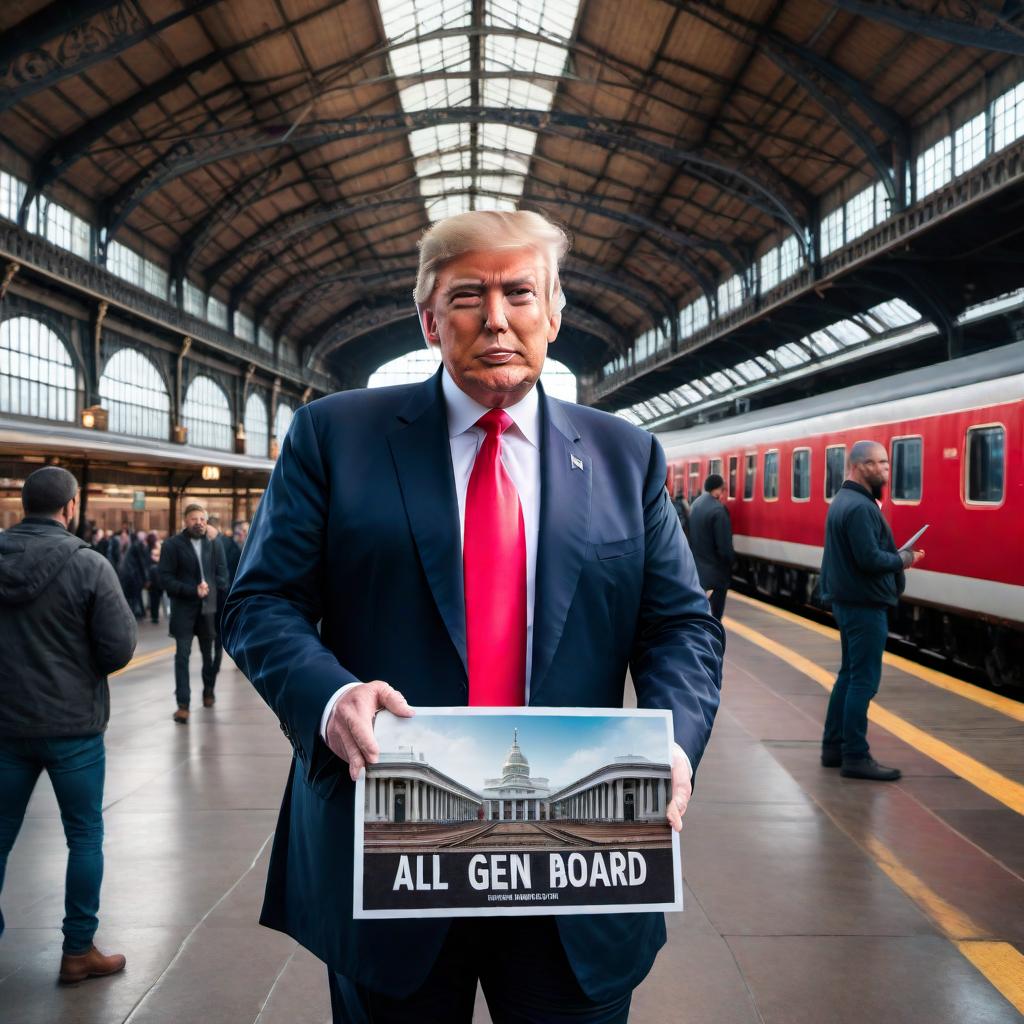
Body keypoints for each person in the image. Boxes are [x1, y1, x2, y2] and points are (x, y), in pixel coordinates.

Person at [223, 209, 724, 1024]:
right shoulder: (334, 437)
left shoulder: (626, 457)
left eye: (520, 292)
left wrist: (672, 741)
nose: (497, 317)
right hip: (393, 846)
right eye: (469, 296)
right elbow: (260, 601)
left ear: (554, 314)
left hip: (575, 864)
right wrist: (328, 696)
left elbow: (681, 627)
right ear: (429, 319)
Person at [0, 466, 137, 983]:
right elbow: (119, 647)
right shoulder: (89, 565)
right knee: (83, 836)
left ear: (21, 505)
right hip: (73, 726)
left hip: (5, 726)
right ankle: (78, 951)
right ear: (71, 507)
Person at [819, 440, 924, 781]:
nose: (884, 470)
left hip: (850, 602)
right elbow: (869, 559)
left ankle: (833, 748)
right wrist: (904, 559)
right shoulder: (861, 508)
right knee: (863, 681)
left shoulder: (843, 501)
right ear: (860, 466)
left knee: (849, 675)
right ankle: (855, 755)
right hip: (864, 606)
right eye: (878, 463)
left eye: (886, 463)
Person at [158, 504, 227, 723]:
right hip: (183, 610)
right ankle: (183, 704)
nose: (198, 522)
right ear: (185, 521)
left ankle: (208, 691)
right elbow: (165, 579)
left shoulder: (214, 544)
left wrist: (212, 588)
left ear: (207, 522)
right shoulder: (172, 545)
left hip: (208, 610)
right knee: (182, 656)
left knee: (209, 656)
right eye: (193, 519)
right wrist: (192, 590)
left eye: (202, 519)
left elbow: (223, 575)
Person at [687, 473, 734, 620]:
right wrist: (730, 565)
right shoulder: (718, 511)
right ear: (718, 490)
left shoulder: (694, 506)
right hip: (715, 575)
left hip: (697, 572)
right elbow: (725, 548)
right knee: (715, 617)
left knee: (700, 615)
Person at [205, 515, 230, 680]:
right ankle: (214, 666)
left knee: (212, 634)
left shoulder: (213, 543)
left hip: (217, 593)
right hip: (223, 592)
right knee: (218, 634)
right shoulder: (228, 542)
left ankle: (212, 668)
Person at [146, 531, 163, 624]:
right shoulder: (151, 551)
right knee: (154, 599)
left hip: (156, 579)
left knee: (154, 599)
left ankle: (154, 615)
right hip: (155, 579)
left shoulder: (150, 551)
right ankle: (154, 616)